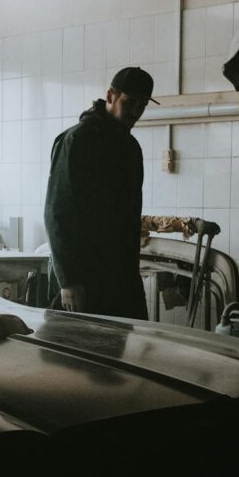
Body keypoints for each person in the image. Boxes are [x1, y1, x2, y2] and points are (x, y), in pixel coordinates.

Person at [44, 66, 158, 320]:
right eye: (130, 103)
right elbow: (57, 213)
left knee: (119, 356)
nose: (136, 112)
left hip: (122, 278)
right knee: (79, 356)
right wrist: (68, 281)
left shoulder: (130, 147)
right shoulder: (78, 140)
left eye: (142, 106)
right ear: (110, 96)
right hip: (83, 280)